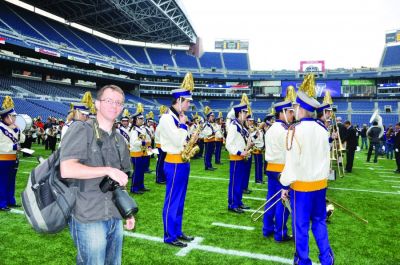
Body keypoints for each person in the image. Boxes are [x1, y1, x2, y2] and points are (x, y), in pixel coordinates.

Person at [59, 84, 135, 265]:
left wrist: (127, 212)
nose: (114, 105)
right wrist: (107, 170)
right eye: (109, 100)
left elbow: (121, 180)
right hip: (88, 215)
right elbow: (67, 169)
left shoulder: (119, 139)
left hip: (115, 215)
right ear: (97, 104)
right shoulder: (81, 129)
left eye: (119, 102)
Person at [280, 84, 334, 265]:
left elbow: (291, 163)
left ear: (300, 109)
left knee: (301, 227)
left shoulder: (294, 131)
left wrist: (285, 186)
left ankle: (303, 260)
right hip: (319, 186)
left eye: (295, 107)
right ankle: (327, 258)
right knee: (319, 222)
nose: (294, 110)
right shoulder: (323, 130)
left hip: (301, 189)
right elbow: (327, 159)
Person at [159, 72, 196, 247]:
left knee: (180, 200)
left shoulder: (177, 118)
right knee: (173, 199)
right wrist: (183, 125)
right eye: (187, 101)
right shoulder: (167, 118)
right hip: (173, 163)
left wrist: (183, 124)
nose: (189, 104)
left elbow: (185, 141)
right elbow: (178, 140)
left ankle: (177, 230)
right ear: (179, 101)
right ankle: (169, 235)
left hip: (182, 162)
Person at [263, 100, 294, 242]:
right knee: (283, 202)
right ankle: (280, 233)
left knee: (271, 200)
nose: (292, 114)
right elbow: (290, 153)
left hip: (271, 168)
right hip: (282, 169)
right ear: (282, 113)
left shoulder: (270, 129)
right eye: (290, 112)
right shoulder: (284, 130)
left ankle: (267, 228)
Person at [0, 96, 25, 211]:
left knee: (11, 181)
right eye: (13, 116)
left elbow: (23, 140)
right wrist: (13, 146)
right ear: (7, 116)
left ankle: (10, 200)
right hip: (2, 158)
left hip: (13, 158)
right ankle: (2, 203)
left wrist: (18, 130)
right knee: (3, 181)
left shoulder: (14, 128)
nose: (15, 119)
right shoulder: (0, 128)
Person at [226, 103, 251, 213]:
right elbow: (228, 144)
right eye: (245, 112)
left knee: (240, 182)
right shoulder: (233, 125)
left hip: (242, 157)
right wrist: (240, 152)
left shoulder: (241, 125)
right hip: (236, 158)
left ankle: (238, 201)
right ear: (239, 113)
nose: (246, 114)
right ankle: (232, 204)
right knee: (235, 182)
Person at [129, 104, 150, 194]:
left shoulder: (140, 129)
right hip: (136, 153)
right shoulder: (134, 130)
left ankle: (141, 186)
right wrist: (143, 143)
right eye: (140, 119)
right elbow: (134, 143)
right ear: (136, 120)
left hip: (141, 153)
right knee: (137, 171)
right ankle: (134, 188)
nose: (142, 120)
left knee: (141, 171)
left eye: (142, 118)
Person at [155, 105, 168, 184]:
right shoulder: (160, 127)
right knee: (160, 163)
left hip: (163, 146)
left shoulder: (162, 126)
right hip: (160, 146)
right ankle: (159, 178)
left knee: (163, 163)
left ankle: (162, 177)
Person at [202, 106, 216, 170]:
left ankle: (210, 165)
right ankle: (207, 166)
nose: (213, 117)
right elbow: (204, 132)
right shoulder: (205, 124)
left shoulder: (210, 124)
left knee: (210, 154)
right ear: (208, 117)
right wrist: (211, 133)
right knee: (207, 154)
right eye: (211, 116)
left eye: (213, 116)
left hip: (212, 140)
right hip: (208, 140)